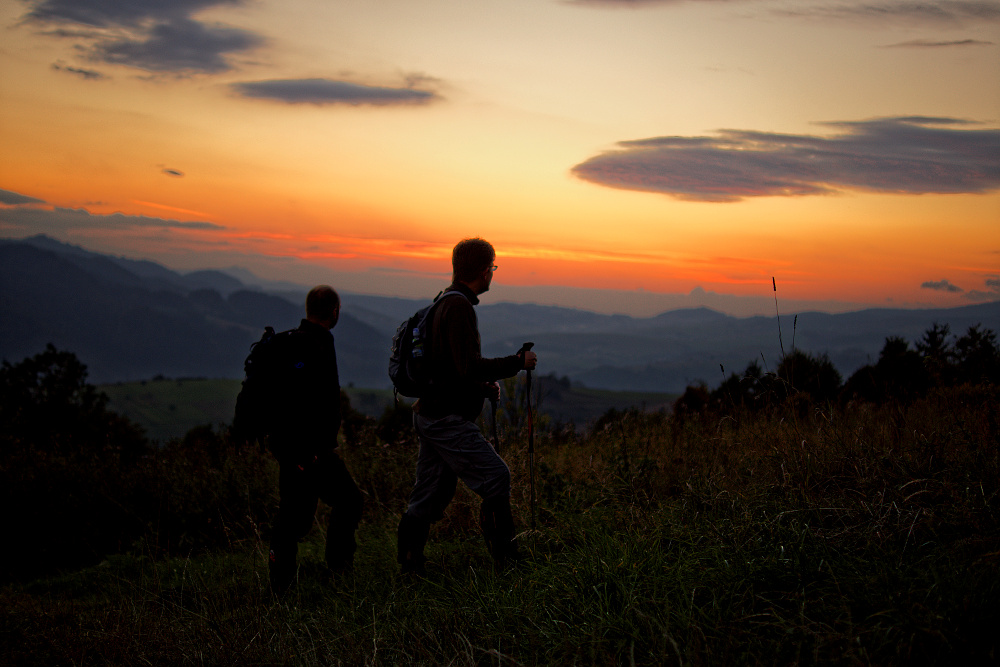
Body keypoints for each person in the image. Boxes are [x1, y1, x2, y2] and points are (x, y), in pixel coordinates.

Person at [396, 238, 538, 575]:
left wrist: (481, 386)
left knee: (428, 493)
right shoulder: (458, 307)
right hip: (446, 418)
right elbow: (468, 365)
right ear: (484, 270)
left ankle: (409, 565)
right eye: (493, 267)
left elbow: (452, 367)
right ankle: (507, 563)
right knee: (495, 476)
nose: (493, 273)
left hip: (431, 413)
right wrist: (517, 362)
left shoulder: (445, 301)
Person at [267, 285, 363, 595]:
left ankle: (281, 582)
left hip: (288, 446)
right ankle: (337, 571)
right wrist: (315, 449)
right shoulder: (317, 344)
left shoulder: (292, 342)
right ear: (335, 311)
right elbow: (316, 401)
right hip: (311, 450)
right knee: (349, 500)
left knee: (295, 517)